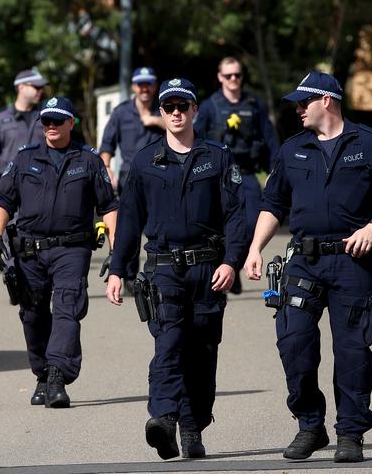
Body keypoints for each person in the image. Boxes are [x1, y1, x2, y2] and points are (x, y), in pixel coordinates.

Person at [244, 71, 372, 462]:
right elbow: (273, 205)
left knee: (353, 350)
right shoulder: (291, 150)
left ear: (327, 101)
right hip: (303, 261)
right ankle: (310, 426)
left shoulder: (370, 144)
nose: (298, 109)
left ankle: (351, 433)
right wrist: (254, 248)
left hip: (352, 261)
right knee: (294, 344)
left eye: (304, 101)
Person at [105, 78, 246, 459]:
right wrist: (119, 269)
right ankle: (163, 420)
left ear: (195, 110)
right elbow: (130, 221)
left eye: (183, 105)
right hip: (164, 269)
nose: (176, 112)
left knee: (202, 354)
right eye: (169, 107)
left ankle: (192, 425)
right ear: (161, 113)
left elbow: (235, 215)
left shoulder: (217, 157)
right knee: (168, 346)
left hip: (207, 270)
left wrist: (232, 261)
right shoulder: (145, 162)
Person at [0, 97, 118, 408]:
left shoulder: (88, 160)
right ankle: (43, 374)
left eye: (57, 121)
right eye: (46, 121)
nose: (50, 126)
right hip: (29, 250)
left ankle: (58, 376)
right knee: (32, 314)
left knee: (67, 308)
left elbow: (109, 207)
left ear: (71, 123)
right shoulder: (23, 159)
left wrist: (117, 250)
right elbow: (3, 202)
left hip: (71, 249)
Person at [194, 57, 279, 294]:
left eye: (237, 75)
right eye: (229, 75)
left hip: (247, 173)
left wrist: (275, 170)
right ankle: (226, 267)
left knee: (253, 223)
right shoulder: (210, 106)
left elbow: (271, 140)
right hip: (217, 175)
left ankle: (234, 265)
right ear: (220, 77)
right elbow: (196, 138)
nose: (234, 79)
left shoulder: (254, 105)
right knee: (217, 226)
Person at [99, 66, 165, 293]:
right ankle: (129, 275)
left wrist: (155, 121)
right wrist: (106, 167)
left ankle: (156, 273)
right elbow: (106, 145)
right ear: (134, 87)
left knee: (158, 227)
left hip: (160, 176)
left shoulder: (165, 108)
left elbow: (185, 129)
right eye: (140, 84)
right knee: (131, 228)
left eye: (149, 83)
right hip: (129, 178)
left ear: (154, 86)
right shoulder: (121, 112)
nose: (144, 88)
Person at [0, 69, 48, 204]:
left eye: (42, 88)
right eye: (36, 87)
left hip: (41, 184)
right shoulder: (1, 119)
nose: (40, 91)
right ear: (21, 87)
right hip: (9, 185)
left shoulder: (46, 117)